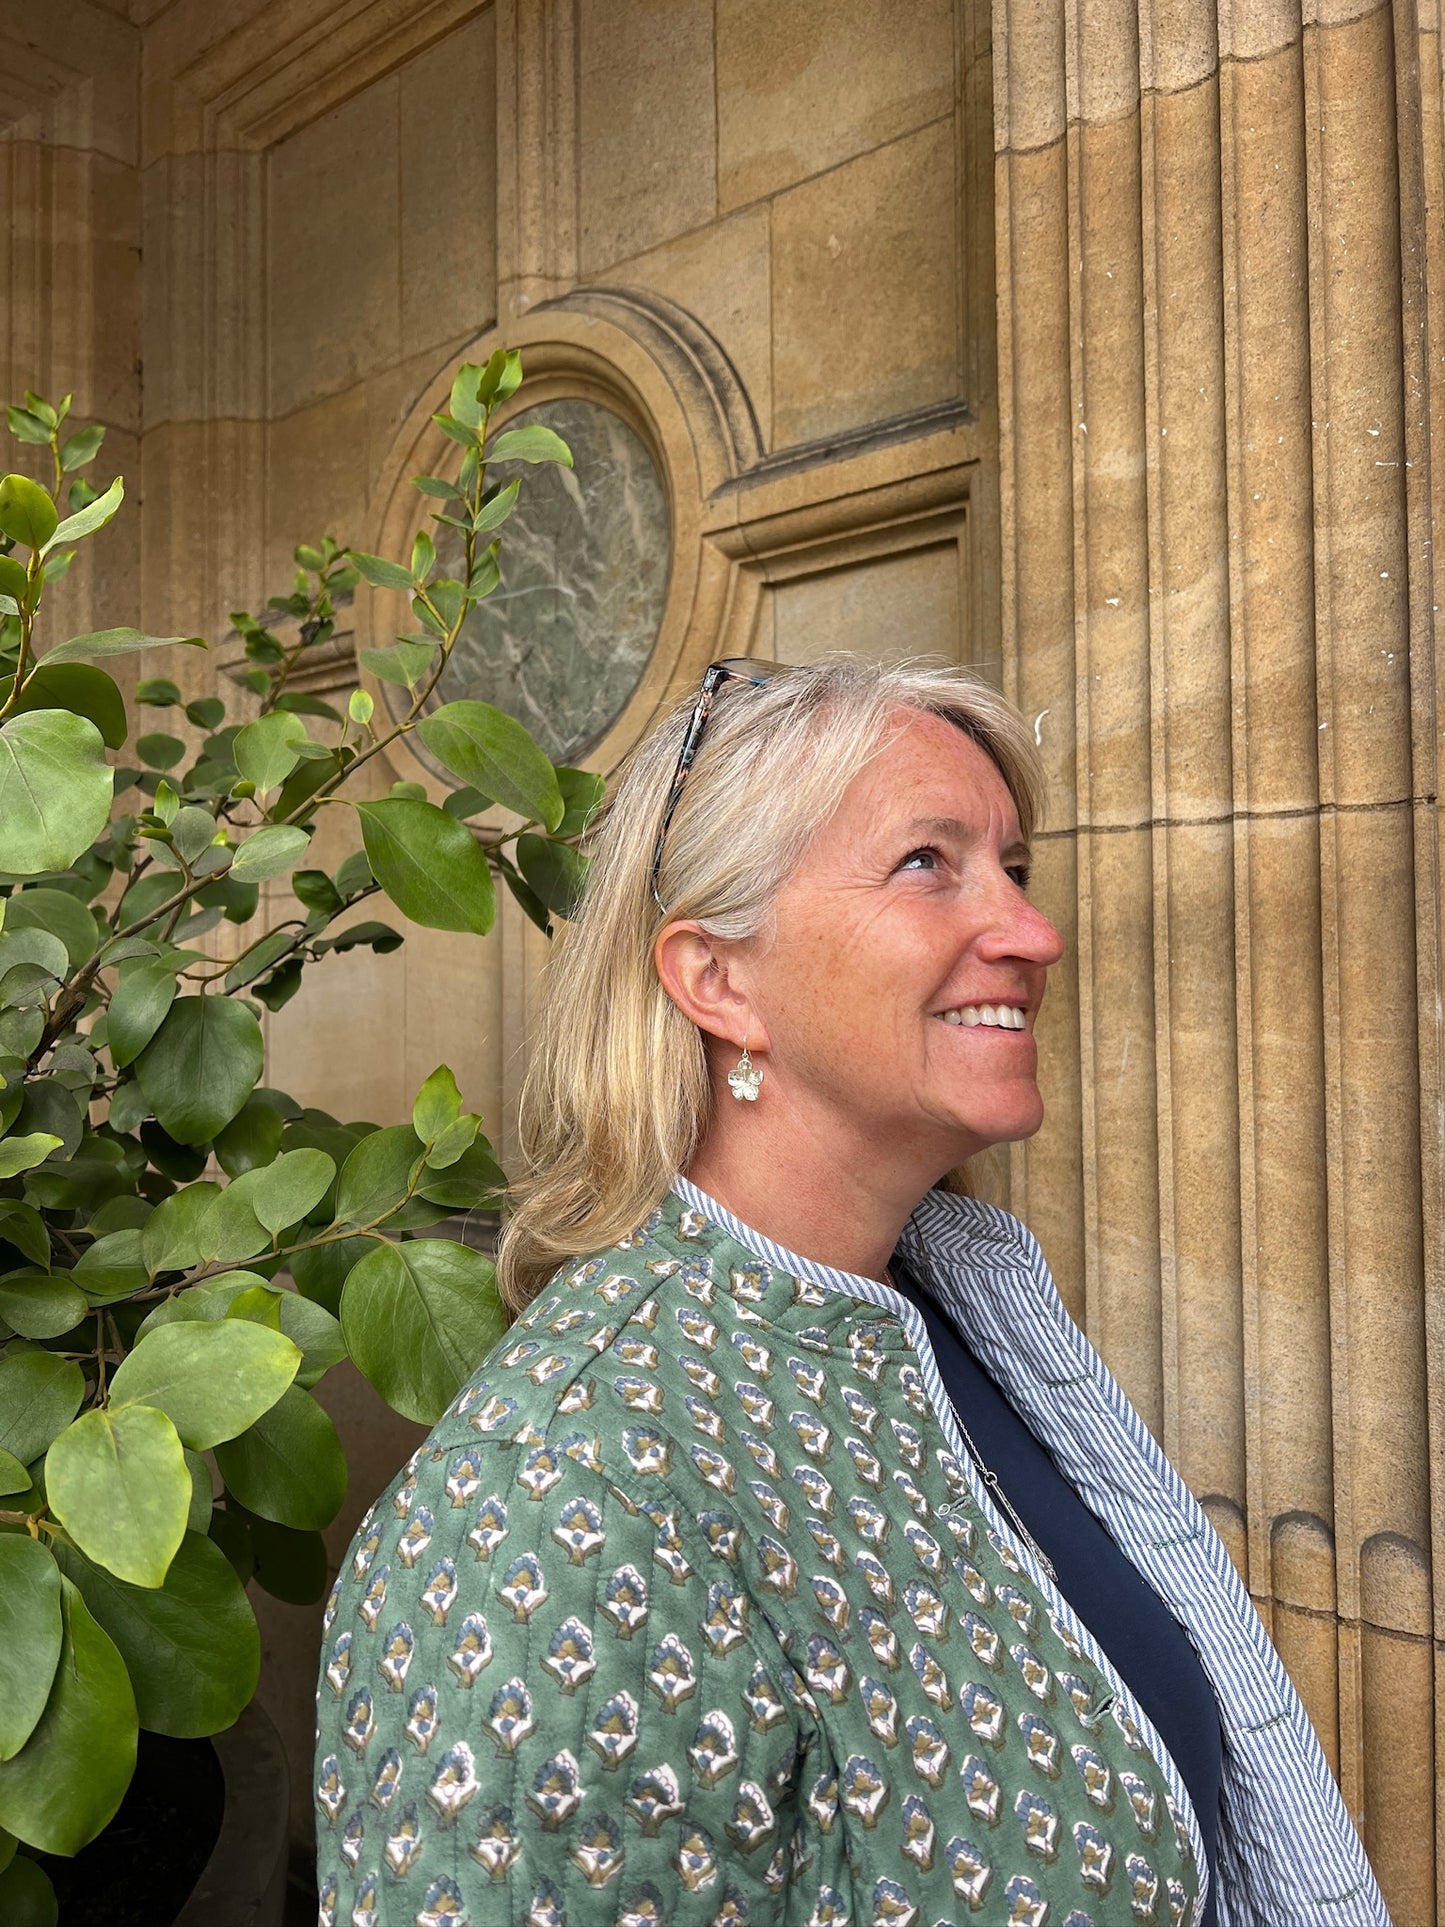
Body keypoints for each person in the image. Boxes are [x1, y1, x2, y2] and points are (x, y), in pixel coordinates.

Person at [314, 656, 1390, 1927]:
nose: (1031, 933)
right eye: (926, 862)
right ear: (717, 979)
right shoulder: (553, 1508)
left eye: (1014, 867)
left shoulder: (966, 1331)